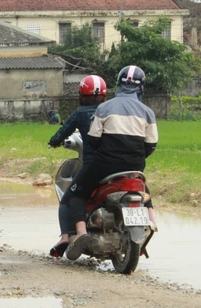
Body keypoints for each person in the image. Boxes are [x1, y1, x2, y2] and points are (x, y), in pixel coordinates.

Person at [63, 65, 159, 249]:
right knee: (142, 187)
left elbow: (93, 139)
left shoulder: (105, 107)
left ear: (119, 84)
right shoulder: (148, 112)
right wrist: (135, 157)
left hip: (104, 165)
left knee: (76, 193)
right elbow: (151, 144)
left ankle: (82, 233)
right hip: (135, 164)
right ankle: (152, 218)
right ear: (141, 87)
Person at [47, 75, 107, 257]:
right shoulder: (111, 110)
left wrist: (53, 141)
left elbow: (62, 133)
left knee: (71, 196)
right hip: (117, 161)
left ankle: (67, 236)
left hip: (93, 165)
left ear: (81, 95)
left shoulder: (81, 113)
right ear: (105, 95)